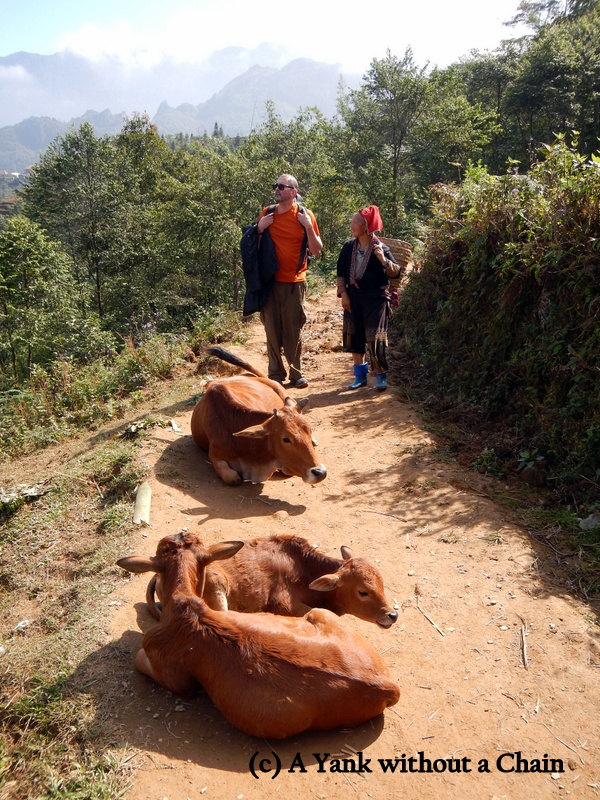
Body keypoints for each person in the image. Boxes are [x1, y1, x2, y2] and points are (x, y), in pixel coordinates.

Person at [256, 174, 322, 388]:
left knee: (293, 329)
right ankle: (275, 375)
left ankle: (296, 374)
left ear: (293, 192)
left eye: (281, 187)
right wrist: (259, 229)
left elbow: (317, 250)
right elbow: (253, 246)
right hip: (271, 282)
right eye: (275, 185)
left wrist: (308, 227)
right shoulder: (267, 213)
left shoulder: (305, 215)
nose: (276, 189)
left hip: (295, 282)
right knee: (271, 329)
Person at [336, 205, 400, 392]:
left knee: (376, 338)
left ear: (366, 226)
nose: (352, 226)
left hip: (376, 300)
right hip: (353, 298)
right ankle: (360, 377)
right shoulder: (348, 247)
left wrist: (383, 259)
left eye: (355, 222)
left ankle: (380, 376)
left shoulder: (381, 248)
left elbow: (395, 273)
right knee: (354, 336)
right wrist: (344, 294)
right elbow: (340, 273)